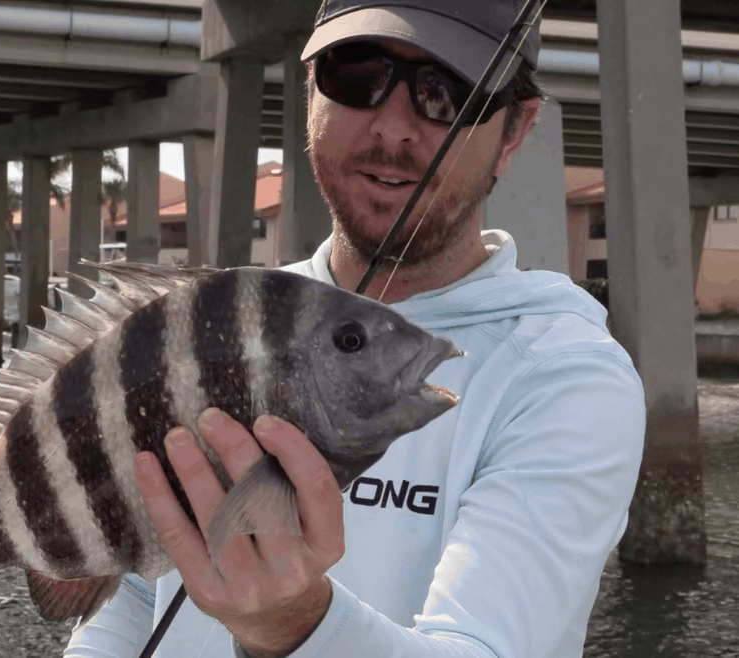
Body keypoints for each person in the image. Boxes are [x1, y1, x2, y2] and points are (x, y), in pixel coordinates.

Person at [65, 1, 646, 656]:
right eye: (358, 73)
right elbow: (134, 590)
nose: (394, 128)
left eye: (445, 91)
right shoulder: (217, 324)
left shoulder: (562, 377)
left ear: (515, 131)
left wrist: (294, 626)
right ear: (311, 85)